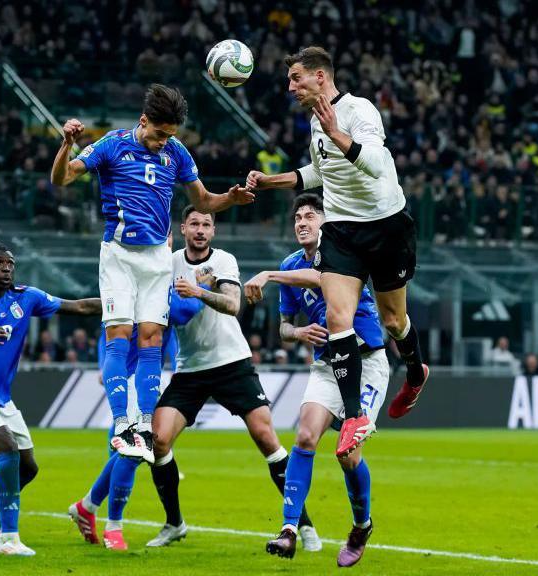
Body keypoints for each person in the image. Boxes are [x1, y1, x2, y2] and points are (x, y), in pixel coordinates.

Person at [51, 84, 253, 463]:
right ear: (143, 122)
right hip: (119, 256)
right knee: (120, 332)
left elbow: (203, 201)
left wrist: (231, 199)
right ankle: (122, 423)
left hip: (158, 256)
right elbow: (61, 179)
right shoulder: (111, 145)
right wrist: (66, 145)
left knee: (152, 337)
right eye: (160, 134)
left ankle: (143, 424)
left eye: (171, 135)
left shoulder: (177, 153)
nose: (164, 142)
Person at [245, 46, 428, 457]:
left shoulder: (359, 111)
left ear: (321, 77)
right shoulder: (316, 123)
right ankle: (354, 416)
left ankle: (415, 373)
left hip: (385, 227)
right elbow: (318, 172)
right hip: (343, 230)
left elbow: (378, 165)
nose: (290, 87)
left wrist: (336, 133)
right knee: (336, 315)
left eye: (296, 78)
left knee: (394, 321)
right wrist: (272, 181)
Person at [143, 206, 321, 551]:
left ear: (214, 231)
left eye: (206, 224)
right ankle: (174, 523)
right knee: (158, 441)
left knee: (266, 437)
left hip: (231, 362)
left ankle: (303, 523)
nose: (200, 229)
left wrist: (198, 291)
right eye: (194, 223)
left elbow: (232, 304)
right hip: (190, 367)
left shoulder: (223, 260)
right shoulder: (169, 262)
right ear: (183, 228)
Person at [244, 193, 385, 566]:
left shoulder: (343, 254)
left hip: (367, 362)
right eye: (297, 218)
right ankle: (289, 529)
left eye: (310, 216)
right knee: (305, 436)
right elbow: (284, 328)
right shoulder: (290, 265)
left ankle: (361, 524)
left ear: (325, 221)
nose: (302, 222)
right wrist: (299, 332)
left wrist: (269, 275)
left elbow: (323, 279)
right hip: (326, 365)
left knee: (348, 454)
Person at [0, 243, 101, 556]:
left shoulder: (26, 297)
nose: (7, 268)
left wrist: (123, 305)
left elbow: (79, 307)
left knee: (28, 467)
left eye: (10, 263)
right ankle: (9, 539)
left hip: (0, 397)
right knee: (7, 448)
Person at [69, 287, 194, 551]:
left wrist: (175, 361)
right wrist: (204, 287)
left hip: (146, 378)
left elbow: (170, 325)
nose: (162, 243)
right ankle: (112, 525)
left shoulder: (160, 281)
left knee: (126, 450)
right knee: (133, 449)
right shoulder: (132, 283)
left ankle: (86, 507)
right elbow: (109, 331)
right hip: (130, 379)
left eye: (167, 241)